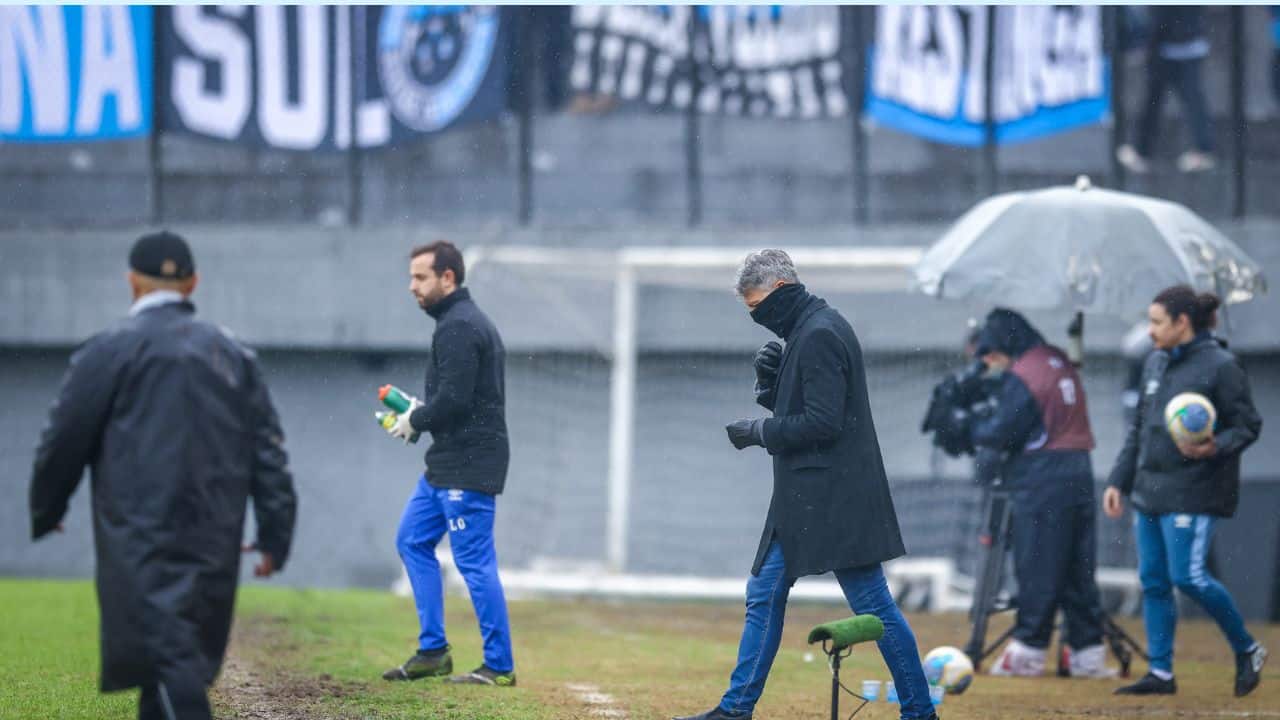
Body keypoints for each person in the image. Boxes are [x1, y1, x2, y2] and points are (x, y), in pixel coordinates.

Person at [28, 230, 298, 720]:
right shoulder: (233, 355)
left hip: (140, 535)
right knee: (174, 664)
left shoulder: (107, 350)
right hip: (216, 532)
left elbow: (64, 438)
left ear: (132, 282)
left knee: (170, 663)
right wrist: (275, 536)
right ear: (193, 283)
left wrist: (48, 508)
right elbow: (269, 453)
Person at [673, 250, 938, 720]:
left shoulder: (818, 334)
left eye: (757, 306)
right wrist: (769, 387)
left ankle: (920, 713)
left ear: (779, 290)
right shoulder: (808, 330)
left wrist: (759, 431)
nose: (757, 318)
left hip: (834, 500)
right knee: (765, 593)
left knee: (874, 605)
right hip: (807, 498)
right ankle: (736, 709)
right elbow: (807, 410)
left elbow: (823, 423)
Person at [1105, 286, 1267, 697]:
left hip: (1195, 491)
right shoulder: (1154, 362)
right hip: (1149, 491)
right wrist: (1118, 481)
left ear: (1182, 323)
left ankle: (1248, 649)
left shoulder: (1222, 366)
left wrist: (1216, 446)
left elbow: (1247, 425)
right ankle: (1161, 673)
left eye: (1157, 322)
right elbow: (1140, 429)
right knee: (1154, 582)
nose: (1150, 330)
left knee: (1189, 576)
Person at [381, 240, 516, 687]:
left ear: (448, 279)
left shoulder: (458, 326)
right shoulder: (455, 323)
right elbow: (455, 399)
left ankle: (498, 666)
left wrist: (415, 418)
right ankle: (433, 650)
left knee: (474, 563)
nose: (411, 287)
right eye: (411, 277)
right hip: (446, 461)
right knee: (412, 540)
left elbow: (455, 402)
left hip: (470, 465)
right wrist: (422, 415)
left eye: (420, 278)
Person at [967, 309, 1113, 678]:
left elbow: (1004, 431)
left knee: (1038, 565)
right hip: (1079, 472)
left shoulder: (1026, 374)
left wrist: (972, 427)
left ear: (1003, 343)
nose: (989, 362)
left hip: (1042, 477)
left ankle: (1029, 650)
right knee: (1077, 569)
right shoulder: (1058, 361)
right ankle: (1087, 652)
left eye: (990, 353)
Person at [1116, 6, 1217, 174]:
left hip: (1175, 46)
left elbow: (1161, 17)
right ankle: (1142, 151)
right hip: (1178, 44)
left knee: (1187, 100)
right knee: (1156, 100)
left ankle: (1202, 150)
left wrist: (1147, 44)